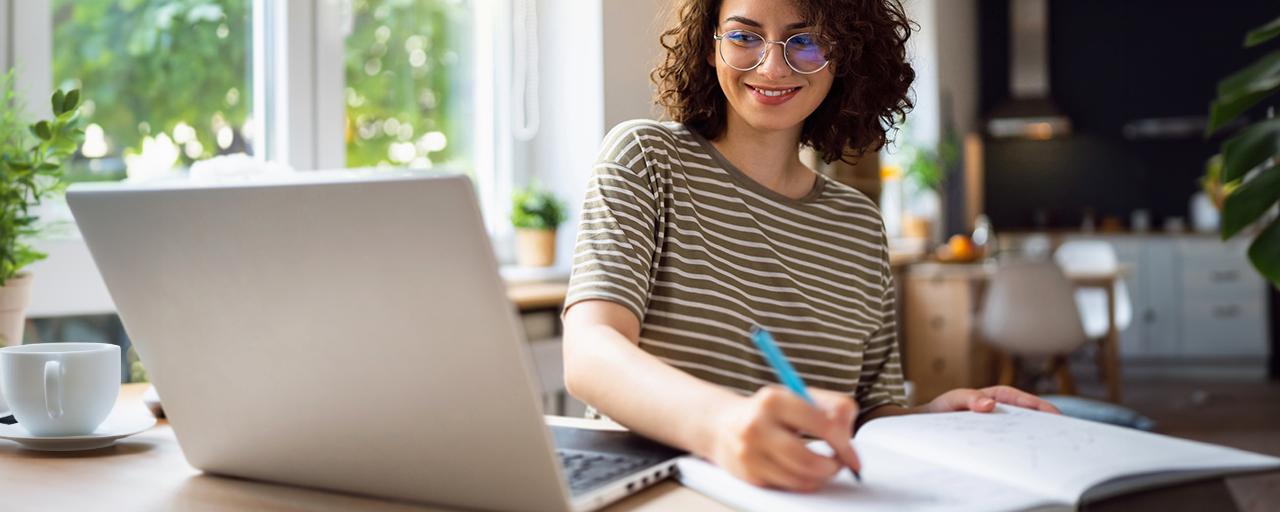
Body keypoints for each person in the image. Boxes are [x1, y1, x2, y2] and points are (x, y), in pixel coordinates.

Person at [561, 0, 1059, 492]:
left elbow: (871, 413)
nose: (773, 66)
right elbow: (590, 353)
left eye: (807, 41)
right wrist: (721, 425)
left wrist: (933, 419)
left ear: (844, 54)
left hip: (805, 494)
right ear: (710, 48)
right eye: (743, 36)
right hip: (656, 493)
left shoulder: (860, 224)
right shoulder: (647, 159)